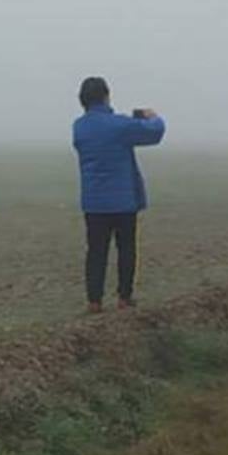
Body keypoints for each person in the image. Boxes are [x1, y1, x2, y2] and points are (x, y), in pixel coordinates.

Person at [71, 76, 166, 314]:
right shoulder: (120, 125)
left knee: (95, 252)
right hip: (123, 201)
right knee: (126, 249)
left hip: (94, 202)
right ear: (106, 96)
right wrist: (152, 116)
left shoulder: (79, 126)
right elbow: (155, 133)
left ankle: (94, 301)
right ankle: (124, 297)